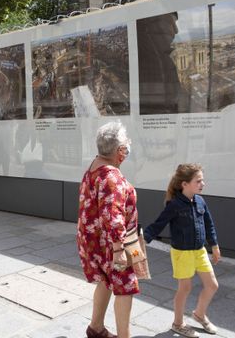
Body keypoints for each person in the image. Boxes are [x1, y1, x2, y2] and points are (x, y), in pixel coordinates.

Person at [143, 164, 220, 338]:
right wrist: (143, 240)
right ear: (184, 184)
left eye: (202, 180)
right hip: (182, 253)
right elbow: (158, 224)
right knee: (185, 288)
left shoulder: (200, 201)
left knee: (212, 285)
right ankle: (178, 324)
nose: (203, 184)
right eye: (198, 181)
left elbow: (209, 224)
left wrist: (214, 245)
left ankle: (199, 314)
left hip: (199, 251)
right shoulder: (174, 204)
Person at [77, 121, 139, 338]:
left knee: (105, 281)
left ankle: (95, 328)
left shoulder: (94, 166)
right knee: (125, 287)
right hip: (112, 243)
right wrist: (118, 249)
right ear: (118, 150)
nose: (127, 149)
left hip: (94, 239)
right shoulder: (111, 176)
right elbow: (112, 217)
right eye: (125, 145)